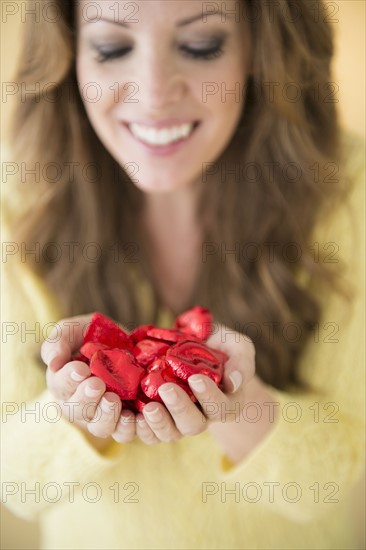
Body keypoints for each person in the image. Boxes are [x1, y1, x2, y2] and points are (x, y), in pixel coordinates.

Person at [1, 1, 364, 549]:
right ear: (70, 53)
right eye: (112, 48)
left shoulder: (350, 193)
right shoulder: (16, 198)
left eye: (200, 46)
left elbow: (330, 486)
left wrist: (243, 408)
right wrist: (72, 410)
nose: (153, 93)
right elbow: (16, 486)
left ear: (259, 49)